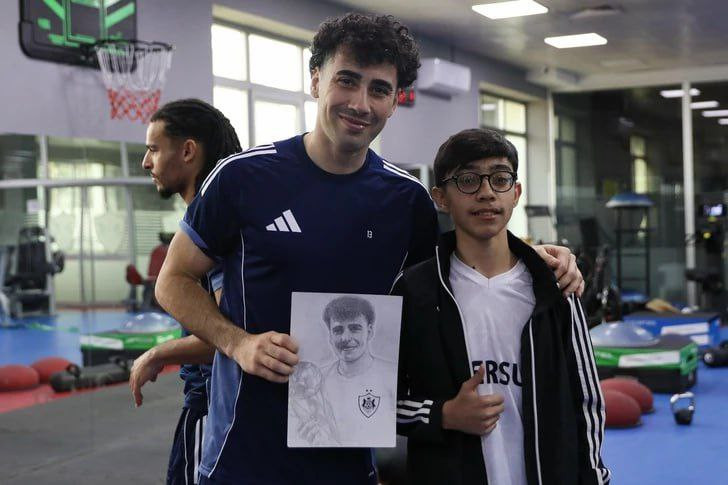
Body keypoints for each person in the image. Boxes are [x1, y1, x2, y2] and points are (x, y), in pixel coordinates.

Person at [155, 13, 583, 485]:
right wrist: (238, 343)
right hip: (243, 459)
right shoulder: (241, 177)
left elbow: (455, 270)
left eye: (379, 89)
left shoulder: (407, 201)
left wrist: (537, 257)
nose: (361, 104)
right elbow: (173, 281)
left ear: (395, 101)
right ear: (315, 80)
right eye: (347, 81)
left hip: (350, 459)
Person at [393, 128, 610, 485]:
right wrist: (443, 414)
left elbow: (586, 400)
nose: (486, 192)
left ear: (516, 193)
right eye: (467, 180)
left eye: (499, 179)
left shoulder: (553, 285)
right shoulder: (414, 291)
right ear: (441, 198)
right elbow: (379, 402)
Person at [128, 98, 241, 485]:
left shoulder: (219, 227)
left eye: (154, 149)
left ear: (188, 151)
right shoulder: (208, 220)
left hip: (212, 405)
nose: (146, 162)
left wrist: (158, 353)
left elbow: (227, 336)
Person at [318, 296, 396, 446]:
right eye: (338, 330)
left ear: (370, 331)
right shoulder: (317, 380)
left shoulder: (392, 375)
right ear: (330, 336)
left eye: (354, 328)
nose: (345, 338)